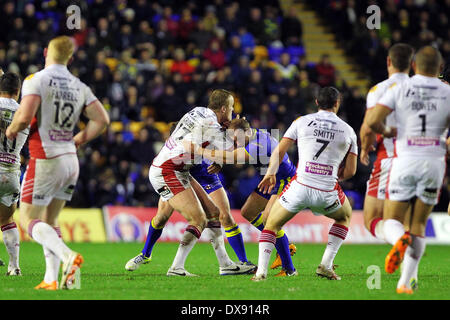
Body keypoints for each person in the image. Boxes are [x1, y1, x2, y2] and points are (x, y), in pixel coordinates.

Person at [6, 36, 110, 290]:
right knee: (50, 221)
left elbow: (25, 115)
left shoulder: (37, 80)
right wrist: (79, 138)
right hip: (70, 160)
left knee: (28, 218)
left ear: (45, 52)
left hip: (45, 158)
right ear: (71, 59)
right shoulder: (79, 85)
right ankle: (53, 279)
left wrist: (11, 131)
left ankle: (67, 256)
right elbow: (103, 120)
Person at [366, 46, 450, 294]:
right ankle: (405, 283)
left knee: (392, 219)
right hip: (434, 162)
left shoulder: (400, 88)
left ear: (414, 66)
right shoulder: (447, 92)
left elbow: (372, 121)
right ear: (439, 68)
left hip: (405, 160)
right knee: (419, 225)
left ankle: (399, 240)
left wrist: (389, 131)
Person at [252, 87, 358, 281]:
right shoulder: (349, 131)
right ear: (337, 103)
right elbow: (351, 171)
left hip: (299, 187)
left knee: (271, 225)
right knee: (345, 216)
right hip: (327, 191)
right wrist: (332, 176)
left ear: (316, 102)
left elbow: (279, 151)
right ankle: (325, 265)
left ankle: (261, 273)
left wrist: (270, 172)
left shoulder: (301, 122)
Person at [147, 89, 255, 276]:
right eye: (231, 108)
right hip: (168, 170)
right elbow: (234, 155)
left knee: (214, 212)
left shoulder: (198, 111)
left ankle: (226, 265)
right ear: (223, 108)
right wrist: (242, 129)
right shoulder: (211, 124)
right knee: (199, 219)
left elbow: (208, 143)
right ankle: (176, 268)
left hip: (178, 168)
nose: (232, 111)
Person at [185, 118, 298, 277]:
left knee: (269, 222)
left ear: (247, 132)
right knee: (248, 212)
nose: (235, 142)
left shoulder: (258, 144)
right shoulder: (251, 135)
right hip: (270, 180)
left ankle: (289, 269)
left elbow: (233, 157)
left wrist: (199, 151)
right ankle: (282, 244)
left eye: (237, 138)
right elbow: (231, 154)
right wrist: (221, 162)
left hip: (285, 181)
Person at [359, 43, 414, 242]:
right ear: (412, 64)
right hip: (423, 159)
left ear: (389, 61)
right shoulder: (422, 89)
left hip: (390, 159)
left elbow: (368, 127)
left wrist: (365, 148)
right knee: (404, 221)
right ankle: (410, 271)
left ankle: (401, 243)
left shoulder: (379, 90)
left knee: (373, 219)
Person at [0, 72, 28, 276]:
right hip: (10, 172)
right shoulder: (25, 113)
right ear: (18, 91)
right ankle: (14, 266)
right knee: (7, 220)